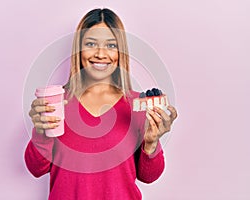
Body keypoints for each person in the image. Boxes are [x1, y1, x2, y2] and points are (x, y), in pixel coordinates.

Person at [25, 8, 177, 200]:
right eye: (90, 44)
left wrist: (151, 142)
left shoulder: (138, 105)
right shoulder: (56, 103)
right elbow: (36, 169)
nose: (100, 54)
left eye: (111, 46)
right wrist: (41, 131)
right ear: (79, 50)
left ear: (120, 52)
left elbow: (149, 176)